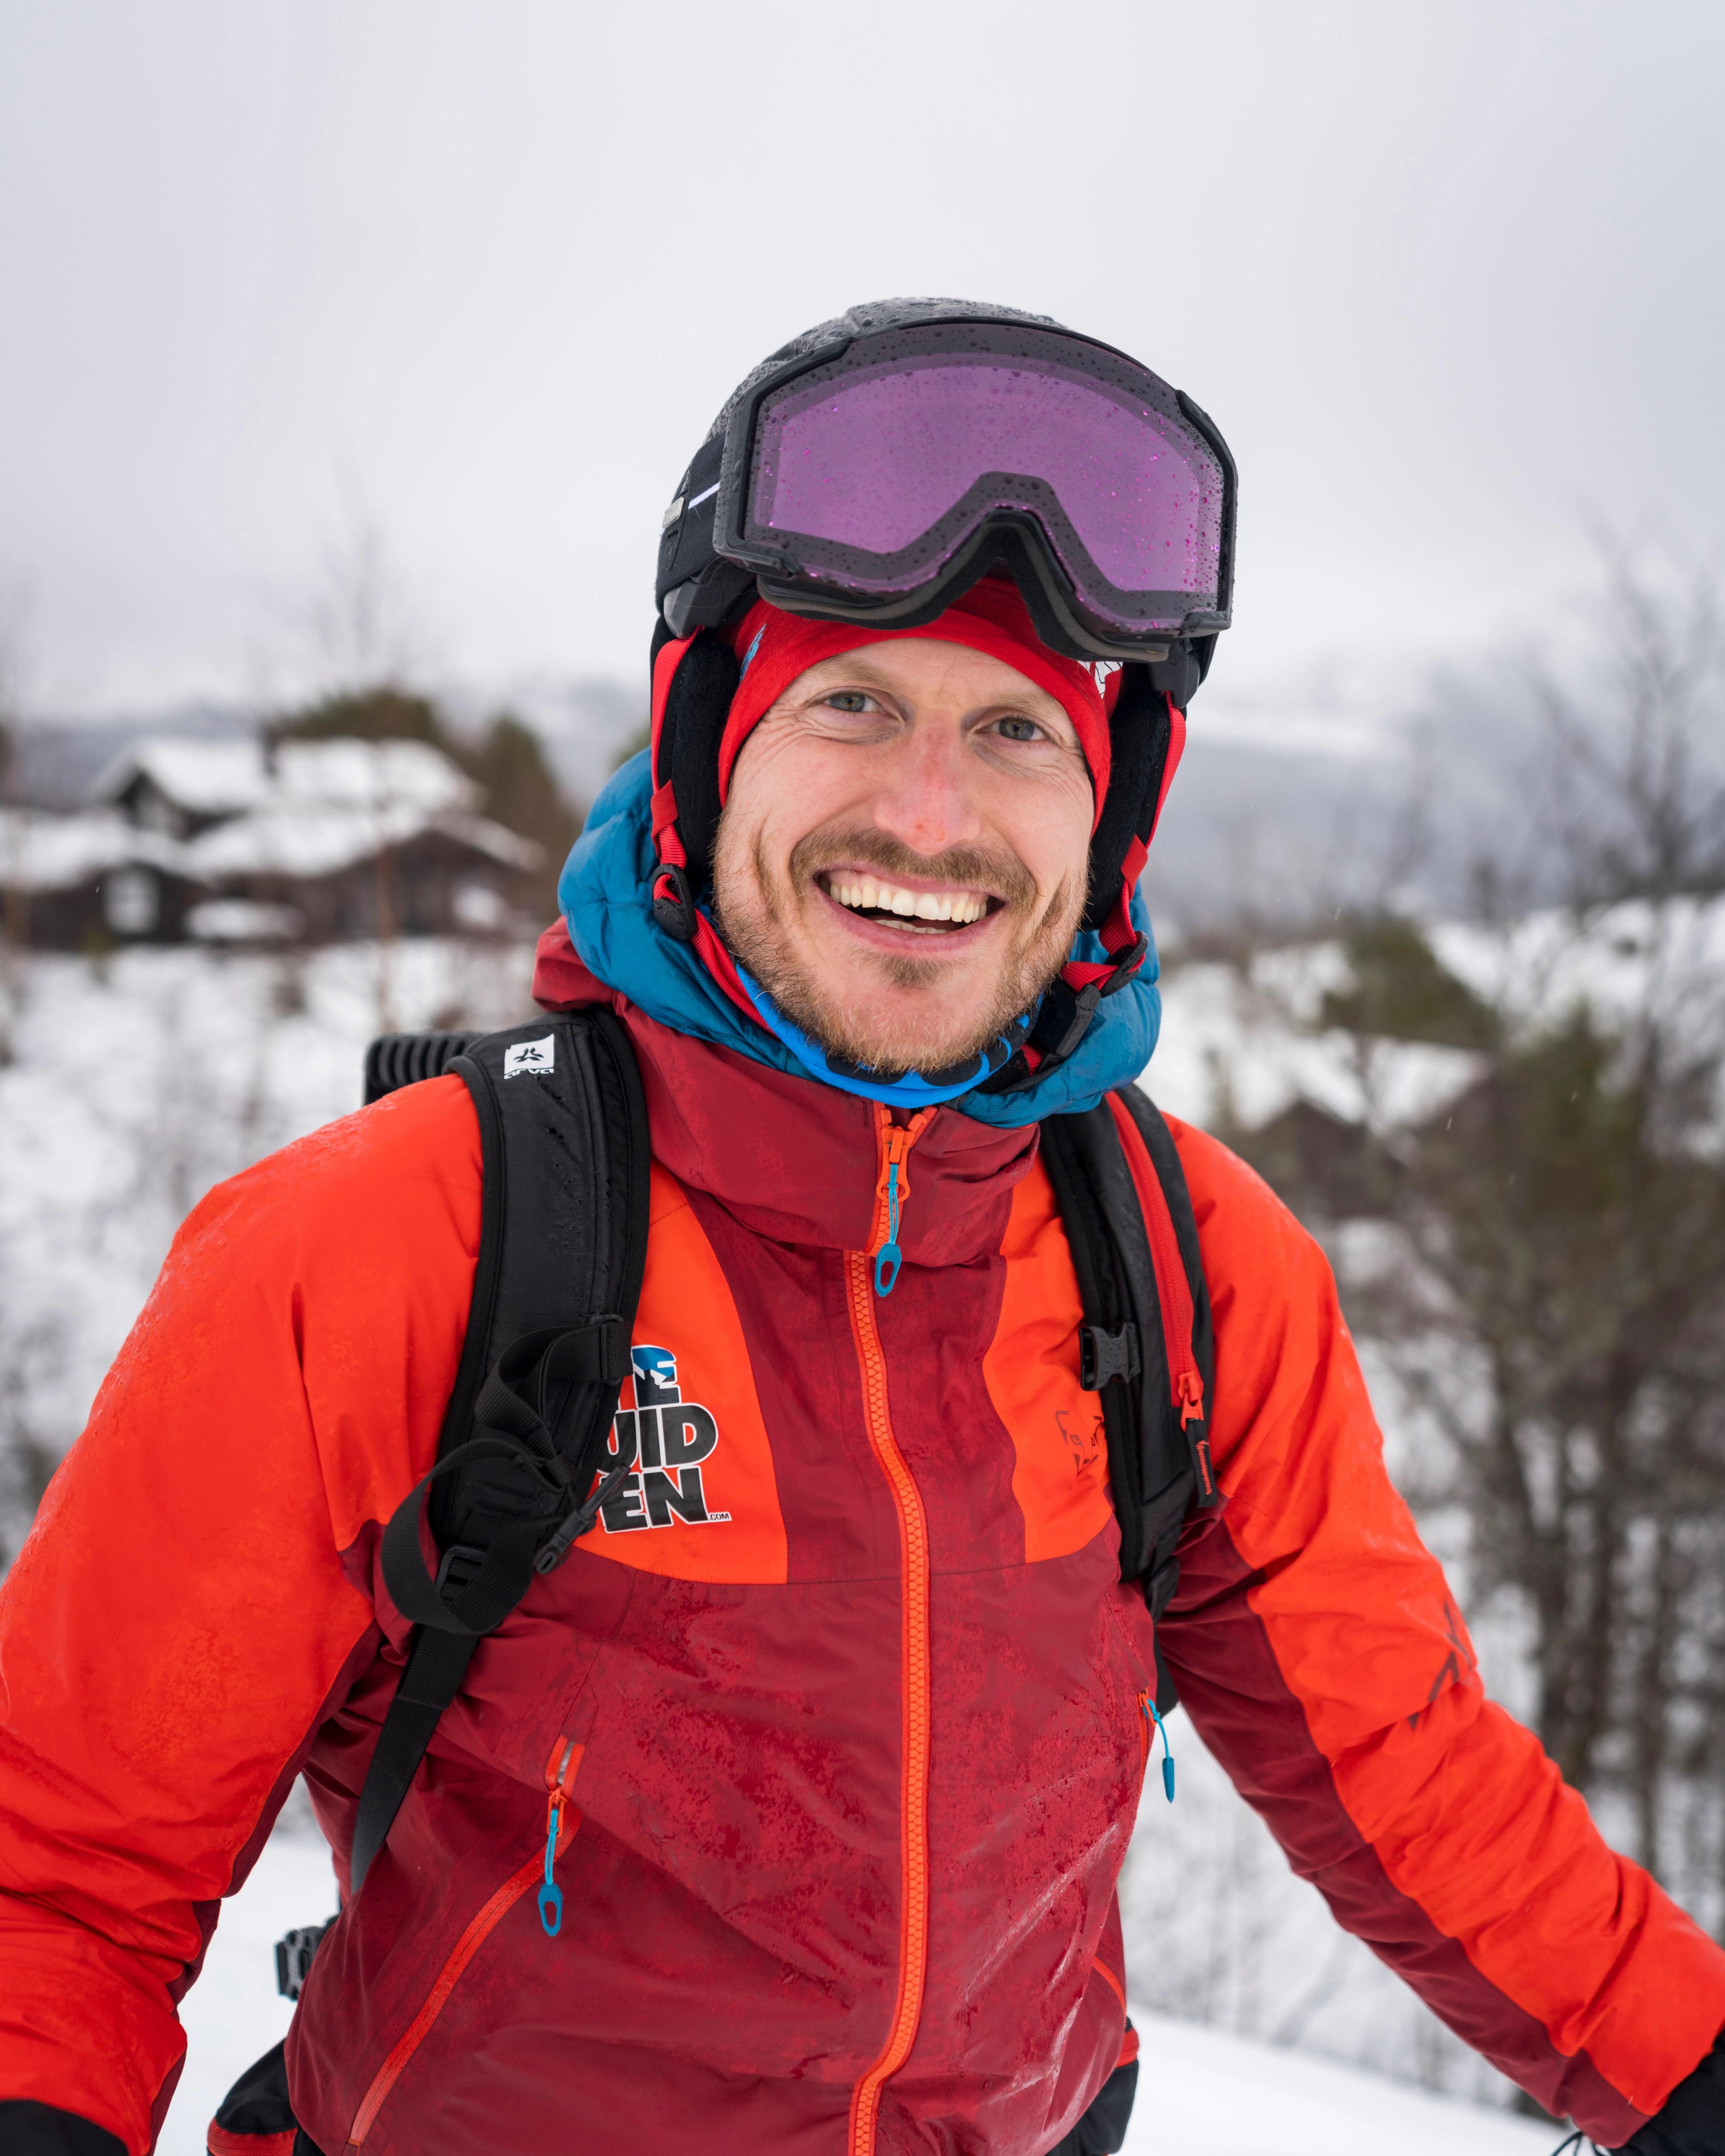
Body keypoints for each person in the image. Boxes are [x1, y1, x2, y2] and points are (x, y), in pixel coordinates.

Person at [1, 298, 1723, 2156]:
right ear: (704, 746)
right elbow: (62, 1878)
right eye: (854, 704)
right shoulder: (391, 1244)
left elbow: (1414, 1776)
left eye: (1014, 732)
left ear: (1110, 822)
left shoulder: (1194, 1268)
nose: (931, 809)